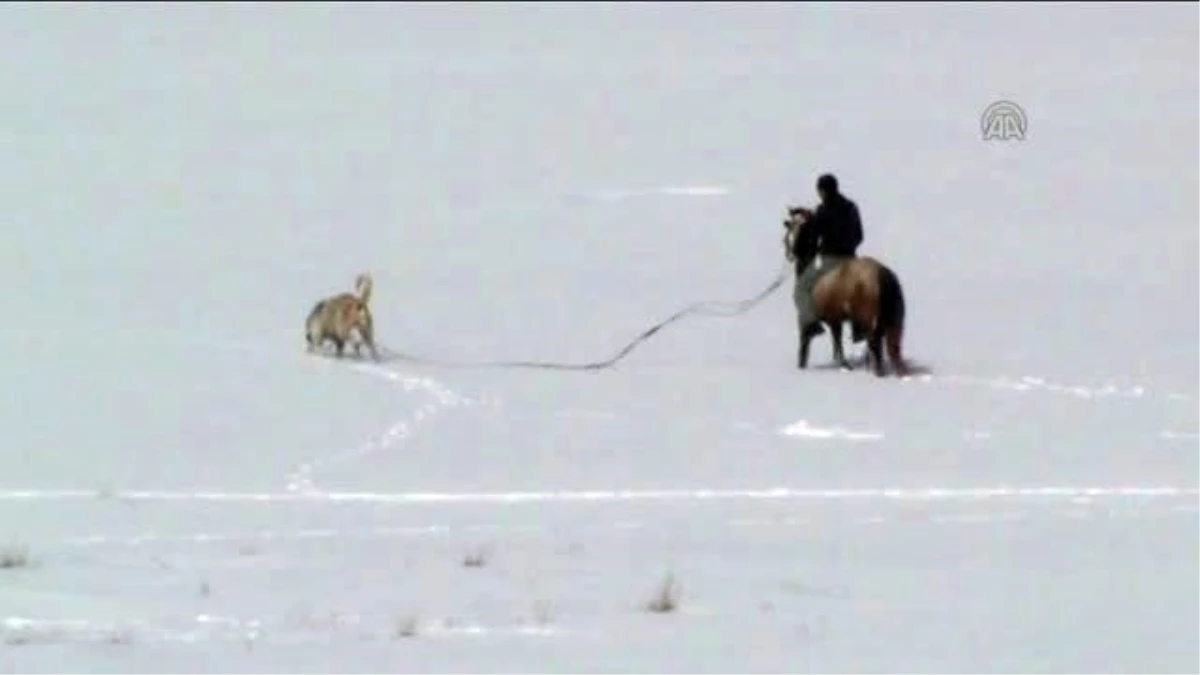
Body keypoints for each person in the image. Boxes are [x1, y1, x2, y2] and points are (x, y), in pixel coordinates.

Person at [790, 173, 864, 340]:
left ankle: (811, 323)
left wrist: (810, 256)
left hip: (829, 259)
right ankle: (859, 327)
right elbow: (860, 236)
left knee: (801, 289)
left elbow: (813, 239)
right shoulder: (851, 207)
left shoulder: (823, 210)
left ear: (823, 191)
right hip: (851, 260)